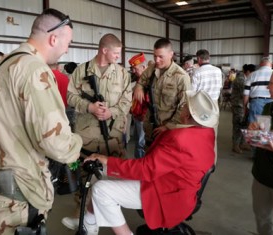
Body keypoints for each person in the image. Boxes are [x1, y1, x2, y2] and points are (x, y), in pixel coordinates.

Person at [0, 8, 82, 234]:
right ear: (53, 38)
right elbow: (55, 142)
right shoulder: (33, 69)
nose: (67, 49)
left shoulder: (3, 65)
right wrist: (77, 143)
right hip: (18, 194)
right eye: (67, 42)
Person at [81, 90, 219, 235]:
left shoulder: (182, 139)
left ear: (188, 114)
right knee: (101, 173)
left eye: (185, 105)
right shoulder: (206, 133)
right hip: (171, 182)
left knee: (101, 190)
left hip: (166, 193)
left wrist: (107, 160)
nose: (182, 107)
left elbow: (146, 169)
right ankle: (89, 222)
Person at [62, 33, 132, 229]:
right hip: (87, 136)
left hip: (113, 137)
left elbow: (127, 102)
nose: (118, 57)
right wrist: (89, 107)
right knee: (85, 179)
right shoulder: (81, 71)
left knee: (114, 177)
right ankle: (83, 221)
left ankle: (111, 217)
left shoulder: (122, 73)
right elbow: (70, 96)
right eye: (116, 53)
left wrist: (112, 112)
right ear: (104, 50)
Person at [248, 67, 273, 235]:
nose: (267, 87)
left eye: (271, 83)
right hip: (261, 176)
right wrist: (254, 130)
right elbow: (262, 133)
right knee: (262, 220)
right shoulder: (269, 107)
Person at [133, 38, 190, 146]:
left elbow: (184, 106)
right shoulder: (152, 69)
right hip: (150, 128)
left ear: (170, 54)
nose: (157, 60)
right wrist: (139, 87)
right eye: (155, 56)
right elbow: (142, 79)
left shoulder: (181, 77)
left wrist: (168, 126)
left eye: (160, 56)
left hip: (168, 131)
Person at [231, 64, 255, 153]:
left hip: (243, 105)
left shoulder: (245, 79)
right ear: (248, 71)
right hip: (239, 105)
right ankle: (236, 145)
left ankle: (242, 143)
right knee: (238, 125)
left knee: (244, 125)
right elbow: (245, 94)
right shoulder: (241, 80)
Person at [128, 52, 148, 158]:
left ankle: (141, 165)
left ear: (144, 67)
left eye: (136, 68)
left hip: (143, 117)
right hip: (136, 115)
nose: (134, 71)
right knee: (137, 140)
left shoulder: (148, 81)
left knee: (141, 142)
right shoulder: (140, 79)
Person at [244, 57, 273, 123]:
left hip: (256, 102)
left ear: (260, 64)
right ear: (271, 64)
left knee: (254, 125)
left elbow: (246, 93)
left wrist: (245, 107)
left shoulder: (252, 75)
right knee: (271, 125)